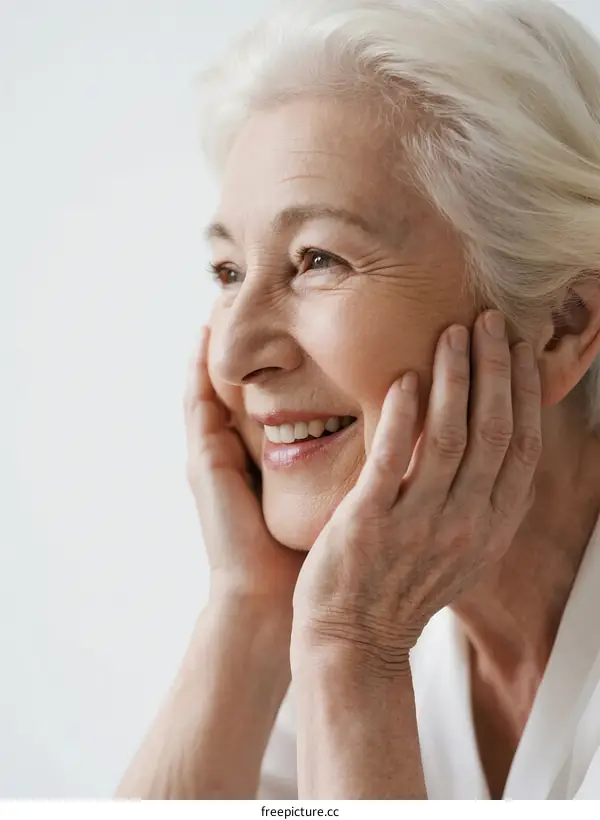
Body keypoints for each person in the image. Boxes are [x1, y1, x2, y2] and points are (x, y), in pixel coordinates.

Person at [115, 0, 600, 800]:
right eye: (229, 272)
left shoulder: (355, 630)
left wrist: (355, 654)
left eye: (318, 260)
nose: (234, 354)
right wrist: (248, 614)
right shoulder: (343, 609)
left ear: (562, 325)